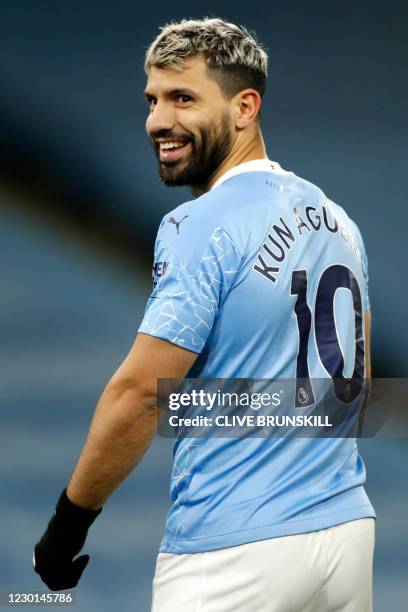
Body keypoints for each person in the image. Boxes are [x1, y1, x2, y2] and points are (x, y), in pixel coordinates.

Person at [33, 17, 376, 611]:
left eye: (183, 98)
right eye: (152, 100)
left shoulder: (198, 226)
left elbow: (141, 395)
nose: (158, 121)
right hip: (345, 533)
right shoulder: (339, 221)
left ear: (245, 107)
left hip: (233, 551)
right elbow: (351, 387)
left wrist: (67, 527)